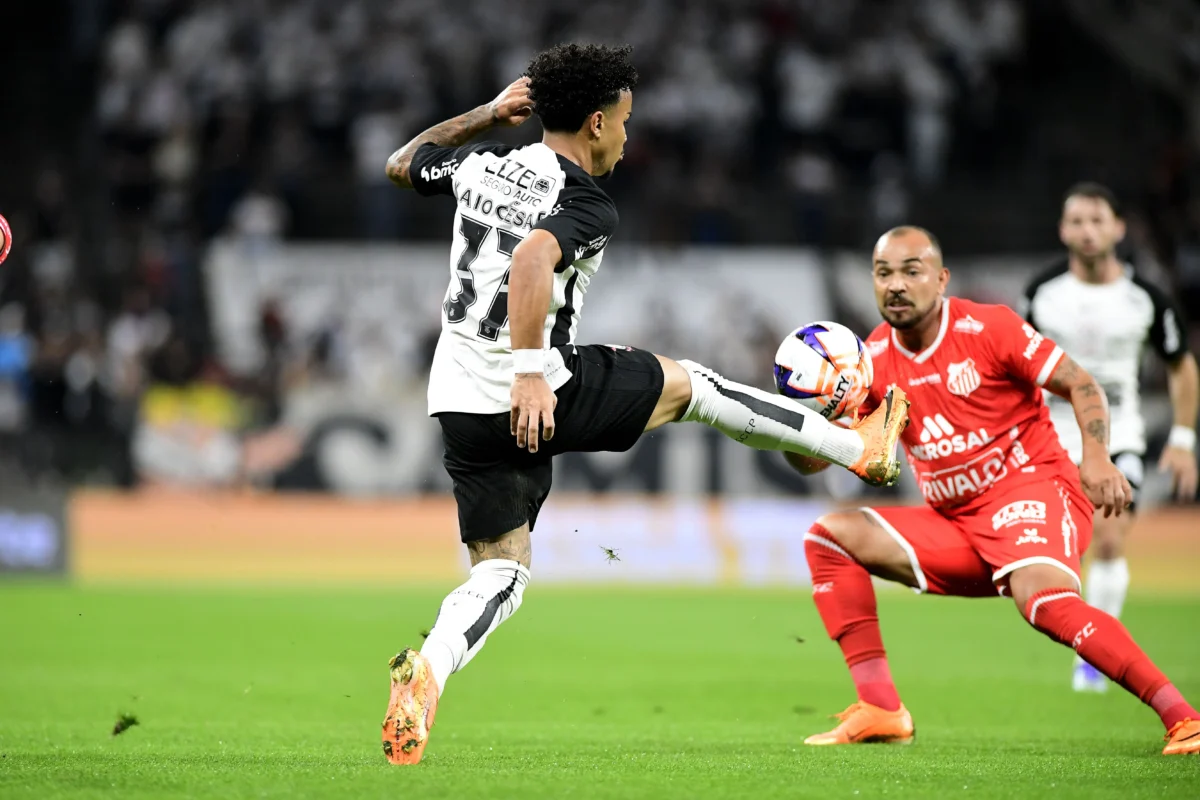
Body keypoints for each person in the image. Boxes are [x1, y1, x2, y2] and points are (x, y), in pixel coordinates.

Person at [376, 43, 910, 765]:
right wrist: (533, 372)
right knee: (696, 386)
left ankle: (428, 674)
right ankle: (859, 448)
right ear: (596, 123)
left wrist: (486, 116)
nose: (629, 140)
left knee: (501, 569)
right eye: (625, 121)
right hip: (537, 388)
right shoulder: (586, 200)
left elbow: (403, 164)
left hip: (459, 401)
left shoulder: (481, 165)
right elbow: (534, 259)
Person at [788, 226, 1199, 755]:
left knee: (1045, 602)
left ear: (941, 279)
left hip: (1034, 491)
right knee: (828, 537)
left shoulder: (989, 327)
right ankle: (881, 708)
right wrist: (810, 420)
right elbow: (809, 463)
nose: (895, 284)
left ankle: (1183, 718)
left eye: (911, 271)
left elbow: (1081, 382)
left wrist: (1095, 458)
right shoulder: (870, 364)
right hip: (956, 525)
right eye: (883, 272)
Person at [1021, 183, 1199, 693]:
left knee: (1110, 538)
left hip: (1120, 437)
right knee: (1058, 551)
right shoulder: (1041, 293)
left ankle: (1092, 658)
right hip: (1050, 437)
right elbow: (1013, 360)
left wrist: (1183, 436)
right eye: (1076, 221)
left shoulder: (1146, 298)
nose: (1087, 230)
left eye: (1097, 220)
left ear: (1119, 228)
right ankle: (1083, 636)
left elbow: (1181, 366)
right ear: (1062, 230)